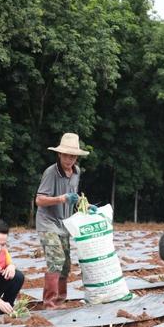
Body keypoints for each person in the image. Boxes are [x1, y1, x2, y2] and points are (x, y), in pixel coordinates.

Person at [35, 132, 94, 309]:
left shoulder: (76, 172)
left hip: (64, 224)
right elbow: (39, 200)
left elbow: (73, 198)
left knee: (66, 265)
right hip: (47, 223)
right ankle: (50, 303)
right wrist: (61, 199)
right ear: (59, 154)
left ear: (76, 157)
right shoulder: (51, 173)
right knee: (56, 260)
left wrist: (86, 206)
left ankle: (60, 300)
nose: (69, 159)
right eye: (66, 155)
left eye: (73, 156)